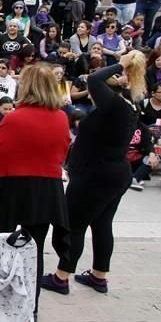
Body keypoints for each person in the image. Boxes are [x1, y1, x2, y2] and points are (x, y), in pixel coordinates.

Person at [43, 52, 147, 296]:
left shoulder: (114, 105)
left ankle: (61, 277)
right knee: (102, 224)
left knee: (74, 226)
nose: (89, 94)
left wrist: (122, 63)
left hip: (95, 175)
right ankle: (99, 276)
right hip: (114, 173)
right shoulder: (129, 105)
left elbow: (94, 80)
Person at [0, 65, 70, 317]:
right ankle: (30, 308)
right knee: (34, 249)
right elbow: (62, 152)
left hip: (11, 187)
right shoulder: (61, 117)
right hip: (46, 190)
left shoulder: (16, 117)